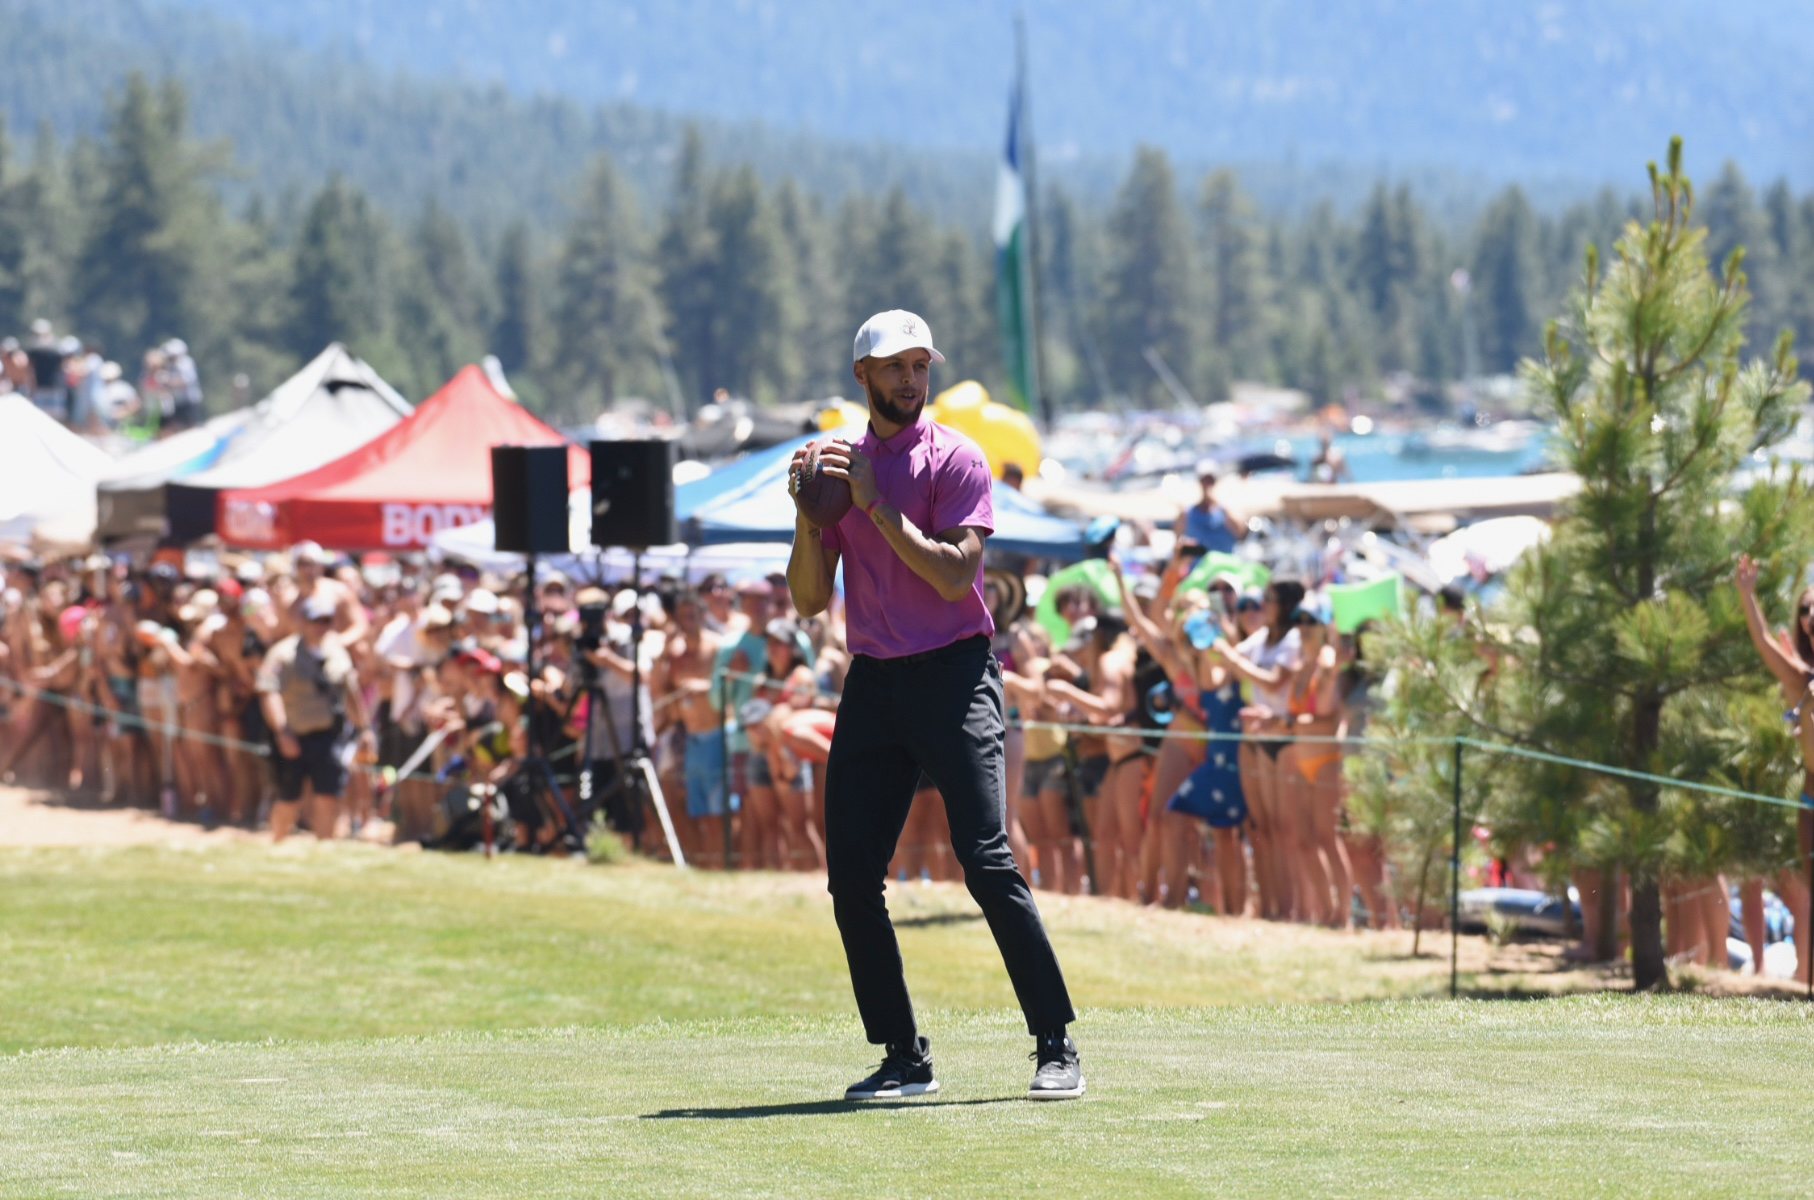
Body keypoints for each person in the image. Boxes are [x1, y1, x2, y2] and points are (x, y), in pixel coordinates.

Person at [786, 309, 1079, 1102]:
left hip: (956, 674)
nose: (912, 380)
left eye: (920, 366)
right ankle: (903, 1056)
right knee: (851, 877)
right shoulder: (839, 468)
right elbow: (812, 602)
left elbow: (954, 576)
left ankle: (1056, 1042)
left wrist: (876, 506)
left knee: (986, 859)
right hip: (875, 682)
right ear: (864, 378)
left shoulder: (957, 458)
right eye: (896, 367)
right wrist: (811, 520)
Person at [257, 593, 376, 842]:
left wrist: (364, 728)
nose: (321, 626)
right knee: (289, 797)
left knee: (328, 794)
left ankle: (324, 846)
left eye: (326, 620)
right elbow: (269, 692)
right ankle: (276, 843)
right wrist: (281, 732)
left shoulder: (337, 652)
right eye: (316, 620)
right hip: (293, 734)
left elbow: (350, 692)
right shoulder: (284, 653)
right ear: (304, 621)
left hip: (328, 734)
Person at [1174, 462, 1241, 557]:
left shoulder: (1226, 510)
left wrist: (1217, 503)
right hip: (1197, 568)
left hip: (1224, 567)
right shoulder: (1186, 513)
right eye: (1204, 480)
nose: (1207, 484)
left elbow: (1240, 533)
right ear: (1199, 482)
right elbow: (1177, 543)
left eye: (1211, 480)